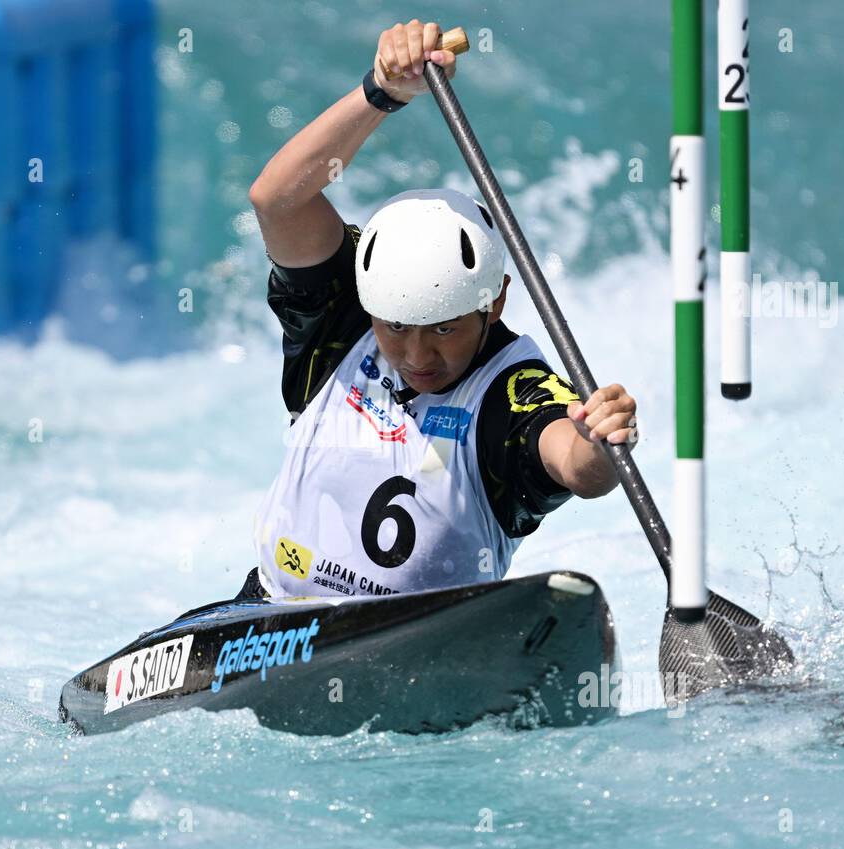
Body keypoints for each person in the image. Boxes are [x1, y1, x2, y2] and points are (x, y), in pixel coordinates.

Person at [239, 19, 638, 601]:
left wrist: (599, 441)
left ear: (494, 301)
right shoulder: (342, 317)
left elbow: (574, 463)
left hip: (423, 646)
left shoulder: (513, 392)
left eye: (445, 328)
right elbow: (277, 199)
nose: (416, 354)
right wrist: (382, 93)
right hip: (262, 619)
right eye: (396, 328)